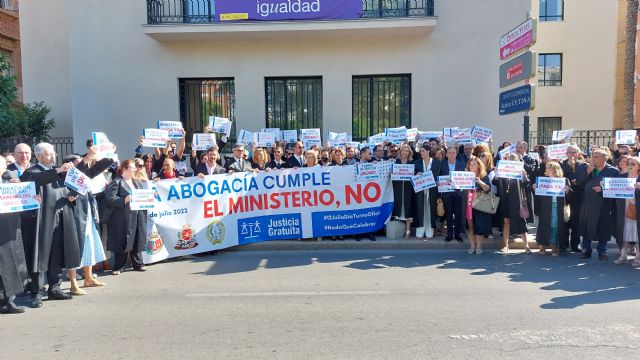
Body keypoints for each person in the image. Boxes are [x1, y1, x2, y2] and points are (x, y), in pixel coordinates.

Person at [20, 143, 78, 308]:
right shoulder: (32, 171)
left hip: (60, 219)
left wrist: (72, 196)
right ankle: (36, 292)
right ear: (39, 157)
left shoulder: (60, 174)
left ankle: (55, 287)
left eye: (54, 154)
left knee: (56, 254)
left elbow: (65, 191)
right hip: (41, 222)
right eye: (49, 154)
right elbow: (37, 180)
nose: (53, 157)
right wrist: (58, 171)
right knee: (40, 256)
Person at [64, 149, 113, 295]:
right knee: (74, 249)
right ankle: (73, 283)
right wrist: (87, 157)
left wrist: (109, 155)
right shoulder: (65, 178)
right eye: (79, 165)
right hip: (75, 216)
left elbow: (97, 169)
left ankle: (88, 278)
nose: (83, 168)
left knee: (89, 245)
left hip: (88, 214)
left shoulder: (84, 176)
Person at [104, 160, 148, 274]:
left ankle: (138, 264)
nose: (134, 170)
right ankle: (118, 266)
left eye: (134, 168)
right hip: (122, 218)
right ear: (124, 169)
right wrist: (123, 200)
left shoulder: (136, 182)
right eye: (132, 168)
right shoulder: (116, 182)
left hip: (137, 215)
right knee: (122, 240)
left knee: (137, 238)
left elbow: (144, 195)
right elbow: (109, 199)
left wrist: (152, 196)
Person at [576, 149, 620, 261]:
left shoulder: (613, 171)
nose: (593, 159)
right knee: (587, 227)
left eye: (596, 156)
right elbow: (579, 182)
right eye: (593, 156)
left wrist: (602, 189)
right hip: (588, 203)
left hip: (604, 204)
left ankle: (602, 251)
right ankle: (586, 250)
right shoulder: (586, 168)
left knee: (603, 227)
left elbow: (616, 188)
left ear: (604, 158)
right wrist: (587, 172)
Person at [0, 155, 29, 314]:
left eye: (4, 166)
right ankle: (4, 302)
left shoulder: (9, 180)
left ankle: (8, 300)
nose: (4, 169)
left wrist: (32, 197)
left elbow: (22, 199)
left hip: (11, 228)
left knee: (14, 264)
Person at [493, 153, 531, 254]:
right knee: (506, 222)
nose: (512, 162)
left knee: (521, 222)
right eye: (510, 160)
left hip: (517, 200)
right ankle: (505, 245)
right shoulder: (503, 171)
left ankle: (526, 246)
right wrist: (496, 174)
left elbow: (526, 184)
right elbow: (495, 183)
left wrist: (524, 176)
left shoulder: (520, 172)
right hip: (506, 200)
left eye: (514, 160)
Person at [534, 161, 571, 256]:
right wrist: (534, 188)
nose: (546, 169)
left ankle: (554, 247)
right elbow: (538, 195)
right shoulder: (543, 180)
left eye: (548, 168)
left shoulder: (564, 180)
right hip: (546, 207)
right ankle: (541, 245)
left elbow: (571, 195)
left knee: (555, 226)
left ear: (554, 169)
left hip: (558, 207)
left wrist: (567, 190)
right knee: (544, 225)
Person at [560, 144, 587, 252]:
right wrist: (573, 178)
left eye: (574, 152)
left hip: (578, 197)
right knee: (564, 221)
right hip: (564, 197)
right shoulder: (561, 165)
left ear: (578, 154)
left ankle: (575, 245)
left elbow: (583, 179)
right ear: (566, 154)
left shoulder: (583, 165)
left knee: (576, 221)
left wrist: (575, 181)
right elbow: (560, 177)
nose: (572, 154)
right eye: (570, 152)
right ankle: (563, 244)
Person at [614, 156, 640, 264]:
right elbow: (612, 188)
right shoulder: (622, 177)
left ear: (639, 166)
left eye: (633, 164)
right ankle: (623, 254)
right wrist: (604, 186)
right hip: (623, 208)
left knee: (638, 232)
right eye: (628, 164)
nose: (630, 166)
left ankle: (638, 257)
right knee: (623, 232)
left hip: (637, 209)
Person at [465, 157, 492, 254]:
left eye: (474, 164)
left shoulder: (484, 176)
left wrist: (479, 181)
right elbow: (458, 189)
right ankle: (472, 246)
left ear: (479, 166)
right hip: (467, 204)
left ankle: (479, 247)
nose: (472, 166)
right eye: (471, 164)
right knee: (470, 226)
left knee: (479, 226)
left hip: (479, 203)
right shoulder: (465, 175)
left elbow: (488, 188)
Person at [440, 146, 466, 242]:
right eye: (449, 153)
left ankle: (458, 234)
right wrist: (439, 182)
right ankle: (450, 234)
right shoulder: (441, 165)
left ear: (456, 154)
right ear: (446, 154)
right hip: (447, 194)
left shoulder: (462, 164)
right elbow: (438, 177)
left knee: (458, 215)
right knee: (449, 215)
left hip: (458, 193)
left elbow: (466, 177)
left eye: (453, 153)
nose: (452, 154)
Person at [414, 145, 440, 239]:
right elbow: (413, 177)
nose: (421, 153)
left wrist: (438, 181)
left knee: (430, 210)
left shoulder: (437, 163)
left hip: (432, 191)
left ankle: (430, 231)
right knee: (421, 210)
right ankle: (420, 230)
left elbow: (439, 177)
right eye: (420, 151)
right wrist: (417, 174)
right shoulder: (417, 163)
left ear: (428, 151)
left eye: (423, 151)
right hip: (421, 191)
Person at [392, 145, 415, 238]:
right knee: (398, 208)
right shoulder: (395, 162)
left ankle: (408, 230)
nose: (405, 152)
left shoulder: (412, 163)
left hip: (408, 189)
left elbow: (415, 175)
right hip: (398, 188)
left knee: (408, 208)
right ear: (400, 152)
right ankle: (398, 230)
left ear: (409, 153)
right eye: (403, 150)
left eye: (407, 151)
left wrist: (418, 173)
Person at [613, 154, 631, 250]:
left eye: (625, 161)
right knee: (620, 225)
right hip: (618, 204)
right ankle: (622, 246)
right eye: (620, 161)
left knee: (631, 225)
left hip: (631, 204)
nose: (622, 163)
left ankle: (632, 246)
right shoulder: (616, 174)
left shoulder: (634, 175)